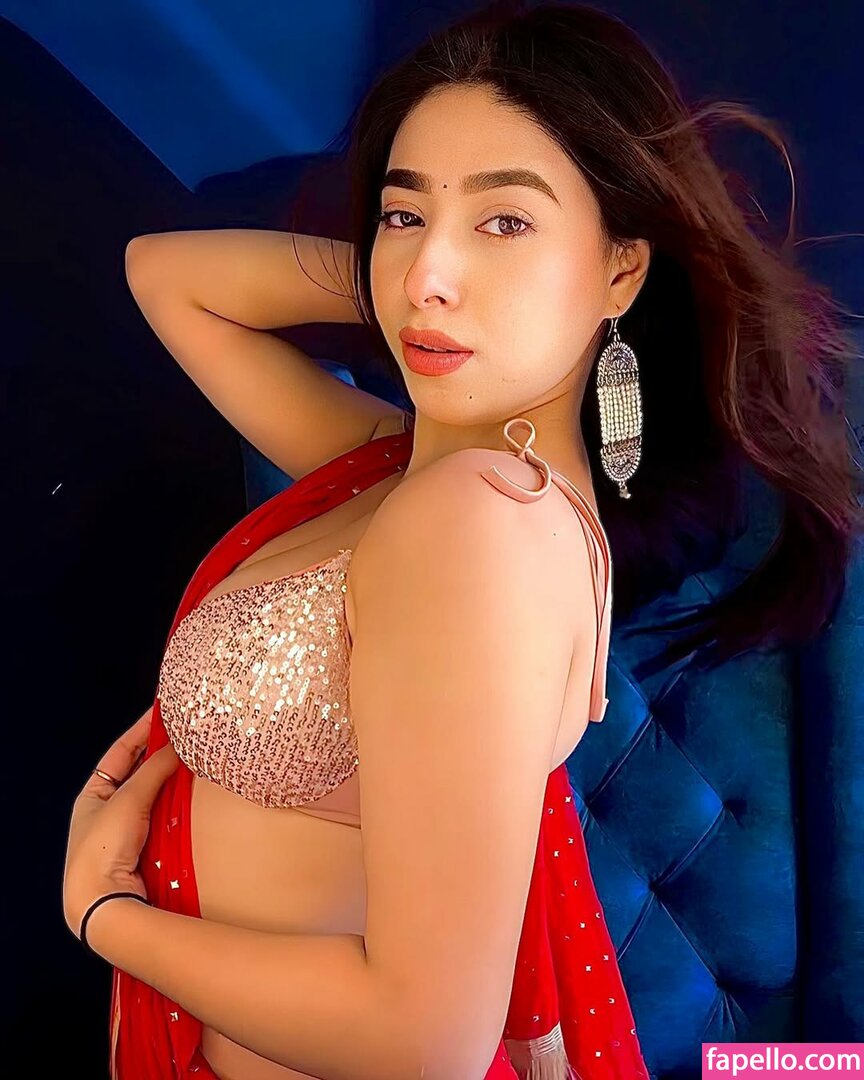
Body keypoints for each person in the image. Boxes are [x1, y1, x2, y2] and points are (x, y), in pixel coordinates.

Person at [62, 2, 862, 1078]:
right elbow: (169, 275)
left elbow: (424, 1037)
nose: (427, 267)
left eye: (506, 222)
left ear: (621, 270)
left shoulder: (478, 523)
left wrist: (105, 915)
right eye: (403, 212)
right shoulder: (416, 473)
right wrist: (427, 291)